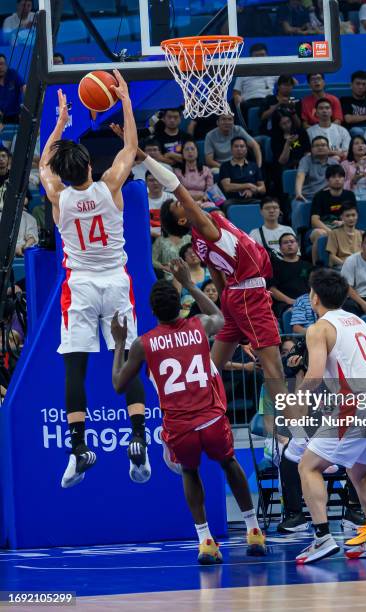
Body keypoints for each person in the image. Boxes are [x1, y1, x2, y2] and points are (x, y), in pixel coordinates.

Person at [110, 262, 266, 564]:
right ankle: (254, 530)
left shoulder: (143, 343)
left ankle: (205, 540)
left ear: (152, 312)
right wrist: (191, 285)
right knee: (229, 464)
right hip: (210, 416)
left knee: (191, 472)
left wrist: (119, 343)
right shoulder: (197, 325)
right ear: (180, 307)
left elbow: (119, 384)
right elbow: (220, 318)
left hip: (180, 425)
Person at [39, 78, 149, 488]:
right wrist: (125, 103)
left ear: (63, 174)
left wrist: (59, 124)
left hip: (81, 287)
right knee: (127, 358)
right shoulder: (110, 186)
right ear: (89, 166)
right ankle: (138, 441)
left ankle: (79, 449)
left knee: (75, 368)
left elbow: (42, 165)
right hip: (116, 284)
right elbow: (129, 149)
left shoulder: (57, 196)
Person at [155, 154, 286, 405]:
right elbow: (177, 187)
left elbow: (218, 281)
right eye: (180, 205)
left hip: (235, 295)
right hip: (248, 293)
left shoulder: (201, 239)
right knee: (275, 370)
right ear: (184, 219)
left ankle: (192, 411)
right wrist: (145, 158)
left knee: (212, 369)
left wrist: (234, 310)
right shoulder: (204, 227)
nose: (186, 202)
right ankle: (299, 437)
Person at [294, 269, 366, 563]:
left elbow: (313, 376)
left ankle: (322, 537)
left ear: (314, 297)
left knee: (308, 466)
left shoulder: (319, 328)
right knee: (359, 470)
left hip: (357, 403)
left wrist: (294, 399)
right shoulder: (360, 322)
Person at [309, 165, 356, 264]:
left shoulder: (350, 195)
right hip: (323, 227)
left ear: (344, 179)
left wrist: (343, 222)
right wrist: (330, 232)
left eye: (340, 177)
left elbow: (353, 215)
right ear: (327, 180)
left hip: (343, 226)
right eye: (333, 177)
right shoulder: (319, 196)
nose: (337, 179)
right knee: (319, 234)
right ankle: (316, 268)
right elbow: (314, 221)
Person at [269, 233, 311, 317]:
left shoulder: (308, 265)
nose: (289, 244)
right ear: (280, 249)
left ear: (298, 246)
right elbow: (272, 289)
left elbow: (315, 287)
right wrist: (290, 301)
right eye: (285, 242)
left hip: (308, 302)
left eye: (292, 241)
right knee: (292, 312)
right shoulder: (275, 267)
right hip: (285, 304)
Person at [232, 43, 278, 119]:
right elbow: (236, 92)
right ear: (251, 57)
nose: (260, 58)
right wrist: (238, 98)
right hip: (249, 102)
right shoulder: (243, 72)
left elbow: (288, 82)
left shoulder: (273, 71)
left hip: (268, 101)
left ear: (267, 56)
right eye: (257, 56)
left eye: (262, 55)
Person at [219, 137, 266, 205]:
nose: (239, 149)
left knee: (263, 205)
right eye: (236, 146)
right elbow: (227, 187)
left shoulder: (254, 166)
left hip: (252, 199)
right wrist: (248, 185)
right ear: (231, 149)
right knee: (226, 204)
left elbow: (263, 189)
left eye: (242, 146)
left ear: (246, 149)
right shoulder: (225, 166)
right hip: (233, 200)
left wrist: (253, 190)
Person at [152, 201, 191, 281]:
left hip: (191, 276)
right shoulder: (161, 241)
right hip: (169, 278)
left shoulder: (189, 238)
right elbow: (152, 260)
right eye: (178, 205)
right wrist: (163, 267)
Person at [174, 139, 216, 210]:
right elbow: (177, 192)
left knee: (218, 212)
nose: (190, 151)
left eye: (192, 149)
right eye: (187, 149)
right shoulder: (177, 172)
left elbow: (210, 191)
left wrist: (201, 200)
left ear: (197, 152)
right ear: (182, 153)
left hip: (203, 202)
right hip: (184, 202)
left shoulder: (206, 170)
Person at [294, 136, 339, 202]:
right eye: (316, 145)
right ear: (311, 149)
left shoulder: (334, 162)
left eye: (323, 145)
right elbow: (300, 175)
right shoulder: (306, 160)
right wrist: (298, 193)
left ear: (328, 148)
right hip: (307, 197)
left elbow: (339, 179)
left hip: (327, 197)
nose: (320, 147)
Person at [326, 202, 363, 268]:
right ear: (341, 217)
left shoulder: (361, 234)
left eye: (353, 215)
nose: (351, 218)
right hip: (342, 266)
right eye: (347, 216)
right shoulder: (334, 233)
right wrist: (346, 265)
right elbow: (332, 257)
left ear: (357, 216)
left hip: (360, 267)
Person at [341, 71, 366, 136]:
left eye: (364, 84)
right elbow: (348, 119)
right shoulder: (345, 100)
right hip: (355, 130)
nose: (361, 87)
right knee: (357, 131)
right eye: (358, 84)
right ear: (351, 85)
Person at [0, 54, 24, 124]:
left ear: (6, 65)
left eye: (2, 64)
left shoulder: (13, 74)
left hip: (17, 115)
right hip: (2, 117)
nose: (0, 67)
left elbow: (24, 87)